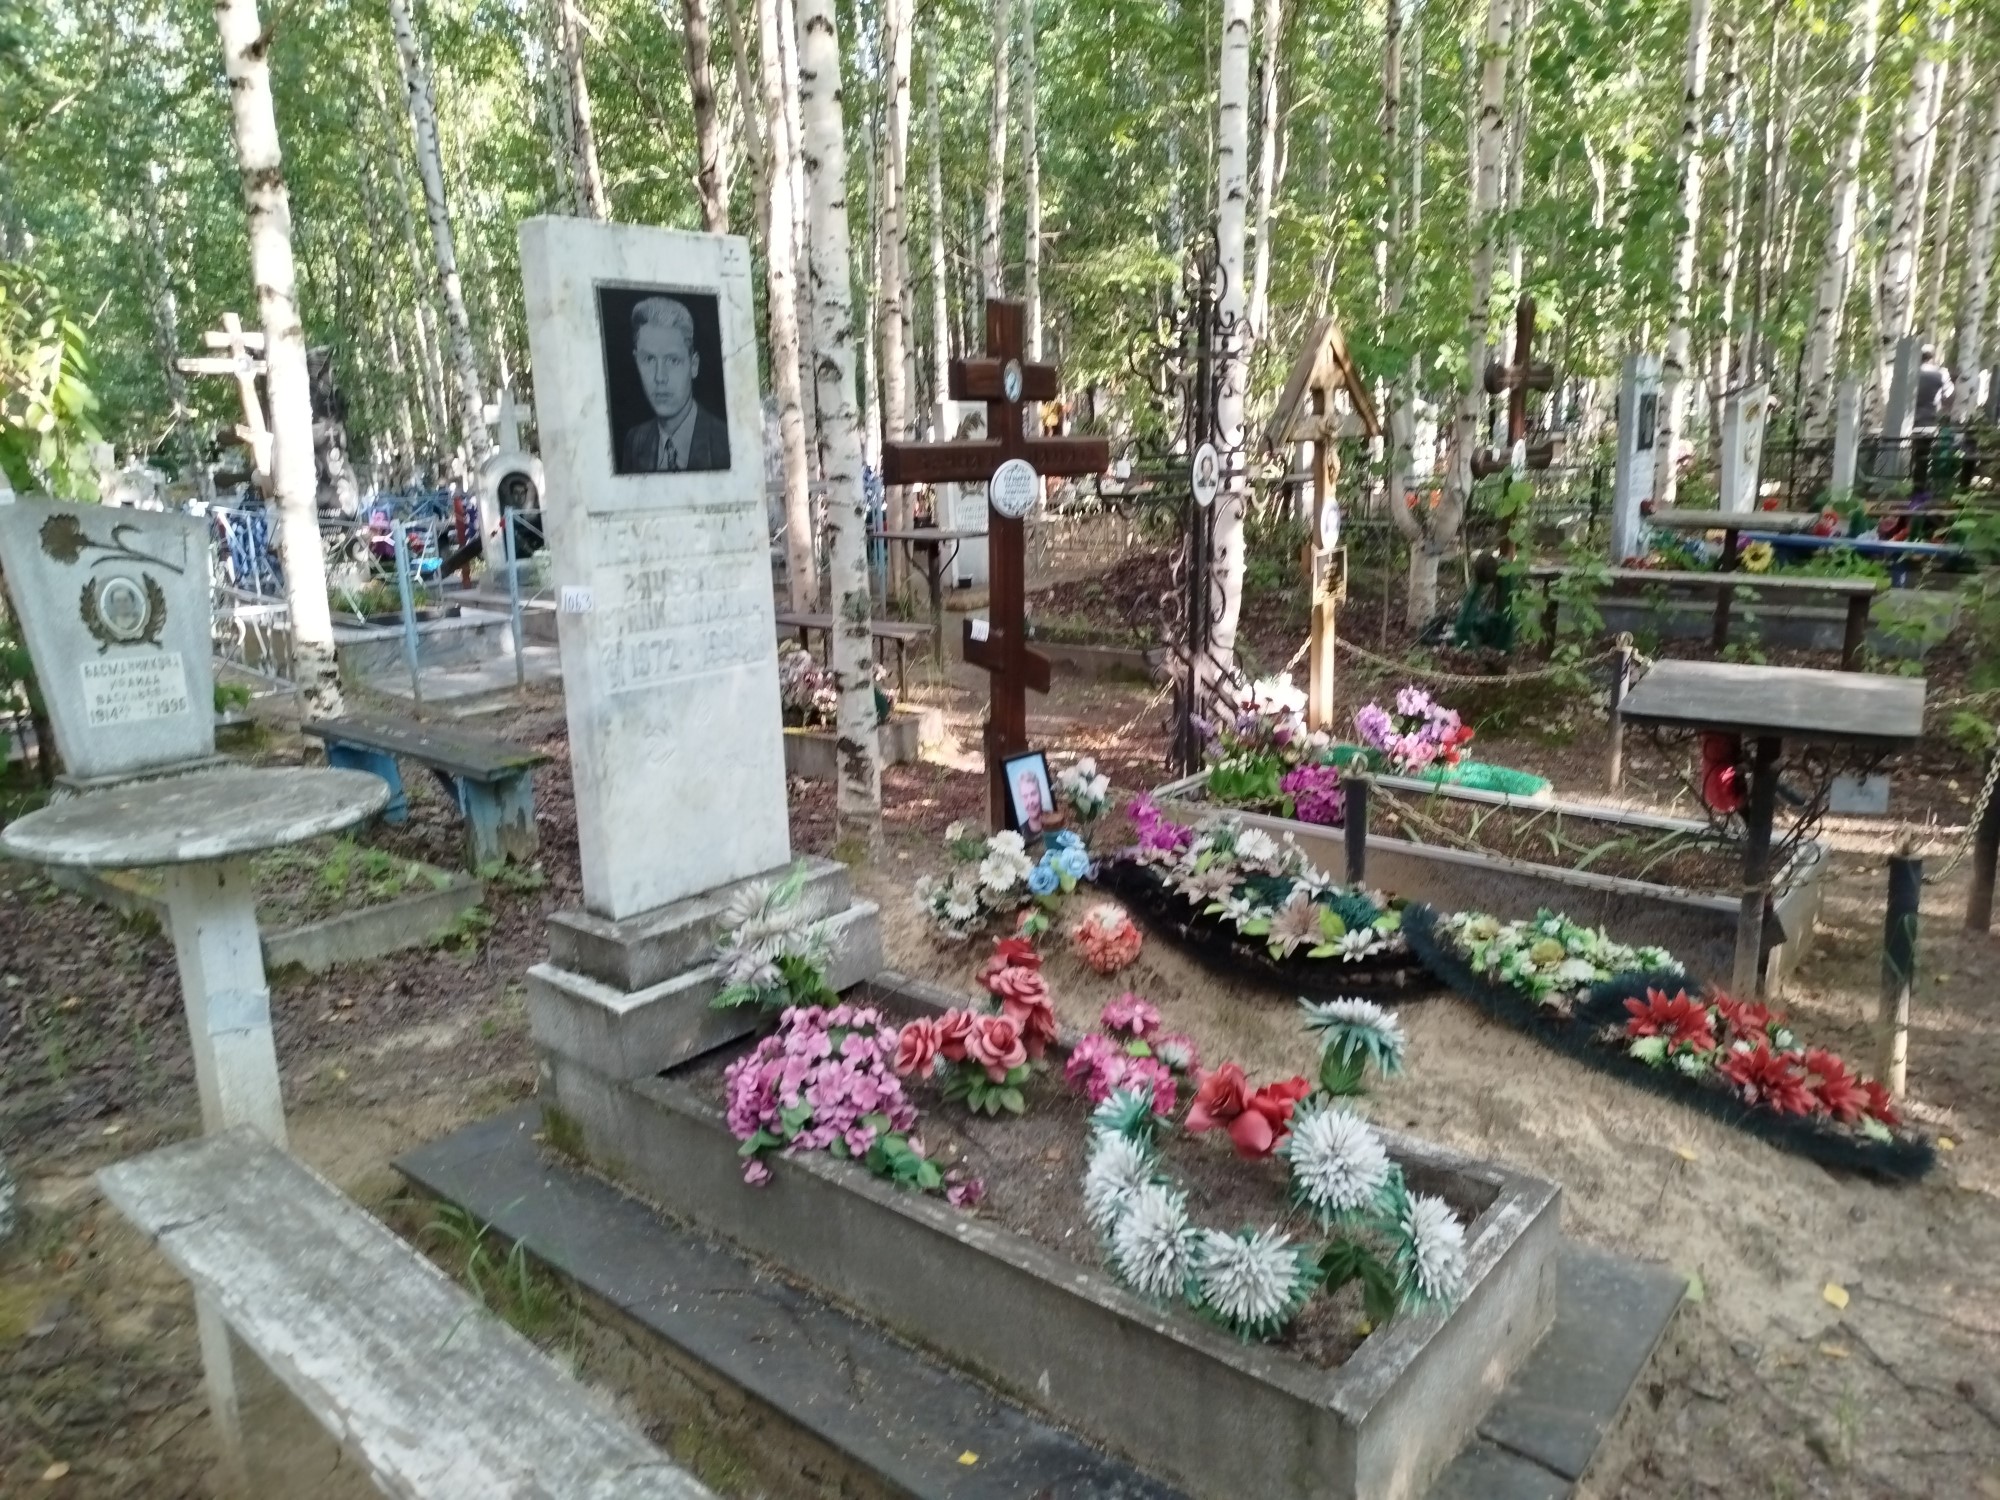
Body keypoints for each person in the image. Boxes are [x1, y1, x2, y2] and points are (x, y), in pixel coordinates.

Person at [619, 297, 730, 474]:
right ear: (636, 360)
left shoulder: (725, 440)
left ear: (694, 365)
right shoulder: (635, 441)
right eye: (649, 359)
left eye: (672, 360)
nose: (660, 377)